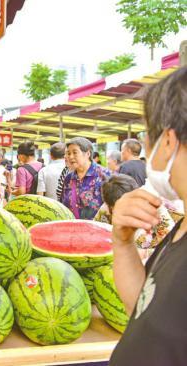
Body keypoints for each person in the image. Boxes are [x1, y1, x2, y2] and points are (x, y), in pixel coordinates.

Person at [109, 67, 187, 365]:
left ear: (168, 141)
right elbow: (144, 309)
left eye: (147, 138)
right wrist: (122, 242)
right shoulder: (180, 229)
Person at [94, 174, 175, 250]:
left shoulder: (154, 207)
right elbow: (95, 233)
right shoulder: (106, 208)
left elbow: (170, 243)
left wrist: (145, 253)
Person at [60, 137, 111, 220]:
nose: (70, 157)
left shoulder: (105, 176)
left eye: (75, 152)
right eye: (68, 153)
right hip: (72, 229)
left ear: (87, 154)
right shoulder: (68, 179)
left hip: (98, 229)